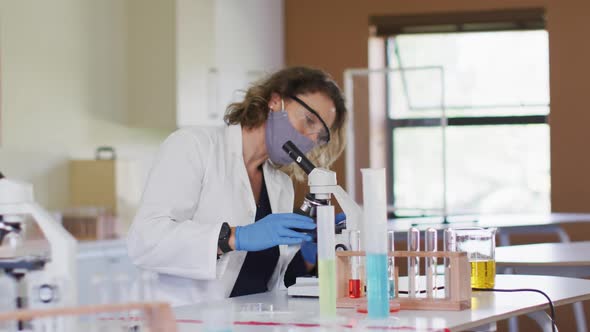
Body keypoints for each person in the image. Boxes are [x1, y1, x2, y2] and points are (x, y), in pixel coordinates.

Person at [127, 66, 347, 306]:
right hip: (181, 319)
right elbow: (145, 242)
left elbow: (269, 279)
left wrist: (308, 255)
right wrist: (232, 237)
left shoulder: (280, 185)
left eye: (320, 135)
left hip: (245, 321)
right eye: (309, 120)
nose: (310, 139)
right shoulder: (195, 147)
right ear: (275, 101)